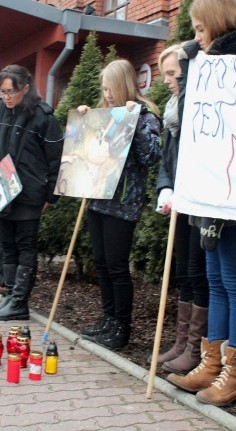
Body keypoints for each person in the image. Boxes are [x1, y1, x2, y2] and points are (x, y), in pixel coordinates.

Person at [165, 0, 236, 407]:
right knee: (216, 278)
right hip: (209, 189)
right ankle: (211, 362)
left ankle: (234, 374)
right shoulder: (205, 65)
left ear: (219, 24)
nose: (197, 36)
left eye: (201, 29)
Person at [78, 59, 161, 350]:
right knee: (101, 263)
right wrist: (86, 125)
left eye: (111, 88)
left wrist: (134, 122)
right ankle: (108, 319)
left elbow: (151, 156)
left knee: (116, 266)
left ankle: (122, 326)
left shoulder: (145, 115)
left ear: (123, 84)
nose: (107, 93)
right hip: (99, 197)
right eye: (104, 88)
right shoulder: (105, 114)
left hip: (123, 201)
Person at [0, 65, 63, 321]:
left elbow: (56, 159)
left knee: (25, 245)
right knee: (6, 243)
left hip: (30, 190)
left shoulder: (43, 117)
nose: (6, 97)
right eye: (2, 91)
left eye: (11, 92)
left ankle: (19, 302)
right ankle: (10, 296)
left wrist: (50, 195)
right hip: (2, 189)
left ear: (25, 88)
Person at [155, 44, 208, 374]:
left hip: (199, 202)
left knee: (197, 273)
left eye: (172, 74)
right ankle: (180, 342)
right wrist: (165, 187)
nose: (166, 81)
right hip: (180, 201)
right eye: (164, 74)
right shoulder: (172, 112)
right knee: (184, 274)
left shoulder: (193, 107)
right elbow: (167, 158)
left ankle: (194, 348)